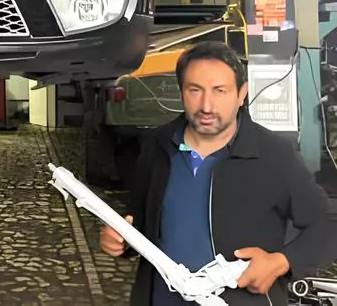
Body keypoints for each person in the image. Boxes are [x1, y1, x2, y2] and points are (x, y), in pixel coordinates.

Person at [99, 41, 337, 306]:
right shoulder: (156, 146)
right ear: (182, 92)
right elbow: (143, 224)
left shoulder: (274, 155)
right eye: (195, 90)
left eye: (219, 91)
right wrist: (122, 242)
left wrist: (281, 262)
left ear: (242, 94)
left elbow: (327, 223)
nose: (206, 105)